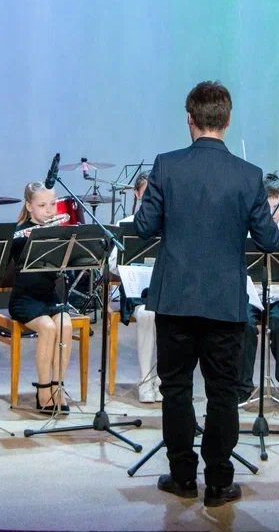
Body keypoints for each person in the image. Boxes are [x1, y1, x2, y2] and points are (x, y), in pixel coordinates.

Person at [135, 80, 279, 508]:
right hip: (224, 301)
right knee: (222, 393)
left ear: (190, 119)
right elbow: (269, 240)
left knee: (176, 389)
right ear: (228, 120)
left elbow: (144, 227)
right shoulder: (249, 175)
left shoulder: (166, 166)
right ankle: (218, 483)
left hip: (175, 297)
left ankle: (182, 477)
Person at [237, 173, 279, 407]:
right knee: (245, 324)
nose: (272, 211)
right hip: (254, 296)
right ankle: (243, 386)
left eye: (276, 205)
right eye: (267, 206)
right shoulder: (248, 231)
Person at [8, 181, 73, 413]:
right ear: (29, 206)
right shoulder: (20, 232)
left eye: (52, 204)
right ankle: (43, 389)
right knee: (47, 327)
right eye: (42, 205)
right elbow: (3, 259)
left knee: (65, 325)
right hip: (24, 299)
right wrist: (24, 239)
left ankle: (58, 386)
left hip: (49, 296)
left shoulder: (57, 230)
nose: (49, 210)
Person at [111, 172, 161, 403]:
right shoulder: (126, 225)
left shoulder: (169, 224)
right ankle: (145, 380)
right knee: (147, 314)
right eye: (146, 191)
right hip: (136, 290)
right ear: (137, 194)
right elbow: (113, 264)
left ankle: (163, 380)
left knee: (173, 316)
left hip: (161, 287)